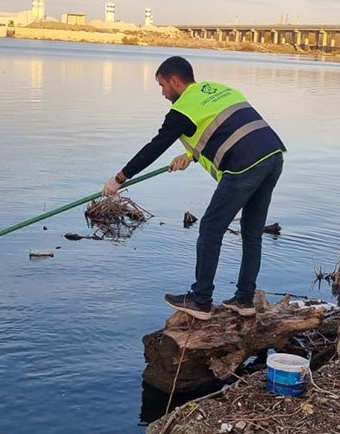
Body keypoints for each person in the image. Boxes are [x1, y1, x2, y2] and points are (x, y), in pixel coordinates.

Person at [102, 56, 286, 319]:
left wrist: (119, 179)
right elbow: (224, 128)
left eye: (163, 85)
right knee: (252, 233)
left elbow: (154, 148)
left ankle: (200, 301)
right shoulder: (217, 89)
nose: (163, 93)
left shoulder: (183, 109)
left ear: (175, 81)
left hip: (245, 165)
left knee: (210, 228)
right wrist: (190, 155)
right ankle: (244, 300)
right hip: (273, 156)